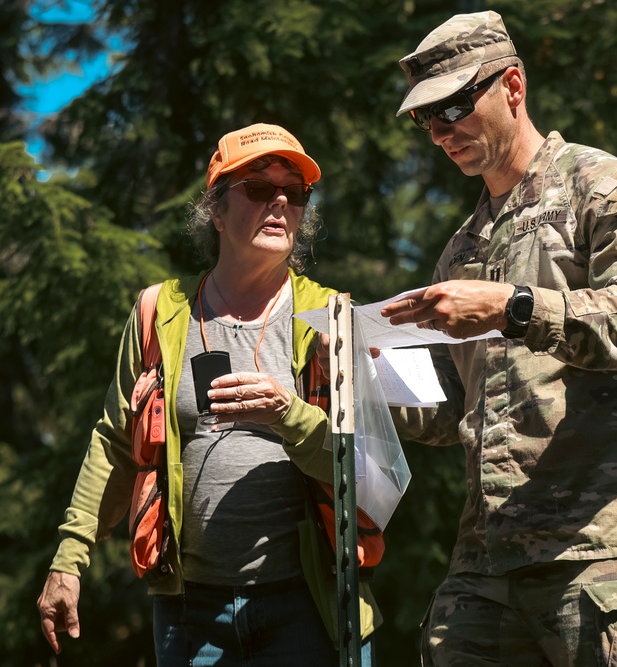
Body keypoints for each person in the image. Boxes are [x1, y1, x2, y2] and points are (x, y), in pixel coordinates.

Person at [381, 11, 617, 667]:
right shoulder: (463, 249)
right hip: (489, 563)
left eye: (453, 104)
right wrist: (358, 380)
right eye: (427, 118)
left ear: (512, 85)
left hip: (605, 550)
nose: (443, 130)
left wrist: (517, 306)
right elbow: (449, 408)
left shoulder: (600, 186)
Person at [37, 123, 379, 666]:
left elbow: (367, 471)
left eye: (296, 191)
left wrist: (289, 416)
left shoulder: (332, 317)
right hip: (190, 615)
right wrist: (69, 558)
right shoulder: (159, 311)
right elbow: (115, 443)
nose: (282, 202)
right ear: (216, 210)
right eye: (260, 188)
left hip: (310, 608)